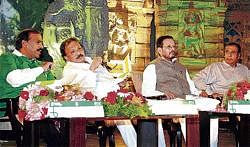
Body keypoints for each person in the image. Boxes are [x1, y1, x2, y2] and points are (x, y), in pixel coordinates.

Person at [59, 37, 137, 147]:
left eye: (79, 48)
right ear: (66, 57)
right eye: (73, 51)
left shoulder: (90, 60)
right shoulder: (69, 70)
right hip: (99, 101)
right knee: (124, 118)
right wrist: (92, 69)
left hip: (116, 94)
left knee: (150, 113)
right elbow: (84, 88)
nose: (78, 53)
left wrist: (118, 82)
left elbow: (107, 78)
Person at [0, 28, 63, 146]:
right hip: (12, 111)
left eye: (42, 43)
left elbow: (55, 85)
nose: (42, 46)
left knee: (68, 124)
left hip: (44, 110)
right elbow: (13, 79)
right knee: (49, 128)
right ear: (24, 43)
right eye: (38, 42)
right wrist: (41, 69)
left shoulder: (39, 64)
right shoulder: (7, 58)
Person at [142, 35, 200, 146]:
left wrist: (200, 93)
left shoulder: (181, 67)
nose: (173, 49)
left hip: (188, 99)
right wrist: (163, 94)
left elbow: (192, 88)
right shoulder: (153, 67)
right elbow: (146, 91)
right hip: (169, 102)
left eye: (174, 46)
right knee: (189, 109)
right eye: (169, 47)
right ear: (159, 50)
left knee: (211, 109)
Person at [193, 42, 250, 147]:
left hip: (240, 102)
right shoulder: (215, 67)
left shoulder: (244, 70)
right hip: (220, 101)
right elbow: (196, 79)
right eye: (227, 52)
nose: (229, 55)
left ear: (239, 56)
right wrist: (209, 92)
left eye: (233, 52)